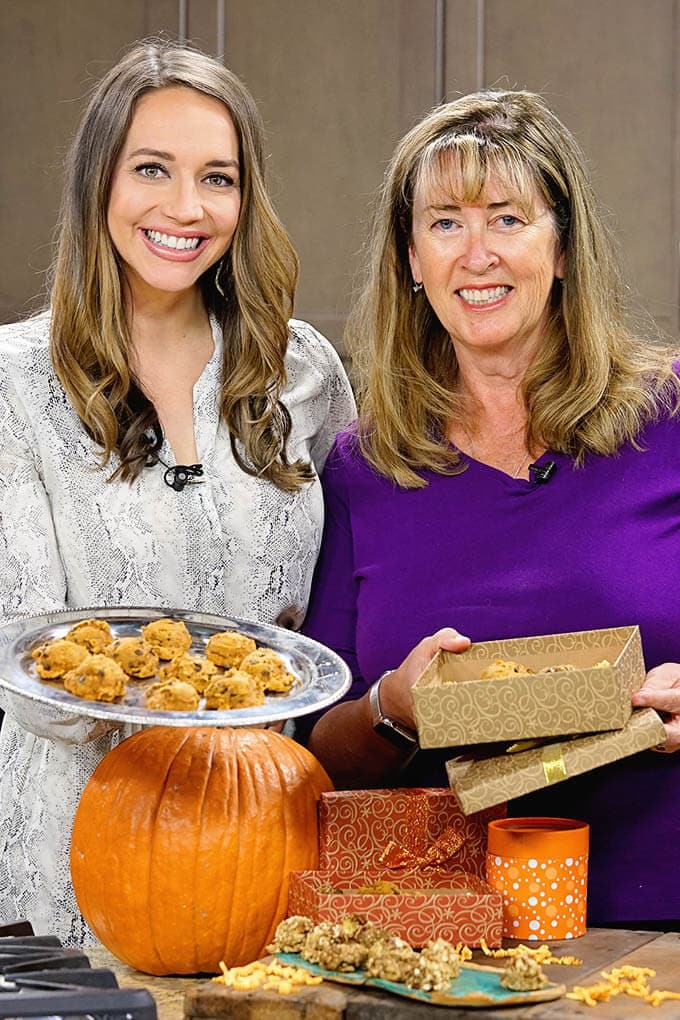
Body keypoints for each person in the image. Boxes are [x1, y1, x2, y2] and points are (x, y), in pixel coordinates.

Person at [0, 39, 355, 943]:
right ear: (97, 187)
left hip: (266, 837)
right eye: (151, 169)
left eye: (219, 178)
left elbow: (344, 606)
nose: (187, 209)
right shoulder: (13, 383)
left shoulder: (300, 370)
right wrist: (198, 694)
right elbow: (29, 667)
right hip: (77, 847)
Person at [301, 89, 680, 928]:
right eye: (445, 224)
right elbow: (323, 754)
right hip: (449, 943)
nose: (477, 255)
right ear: (410, 257)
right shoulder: (365, 466)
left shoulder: (673, 419)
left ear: (564, 245)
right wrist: (389, 709)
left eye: (507, 218)